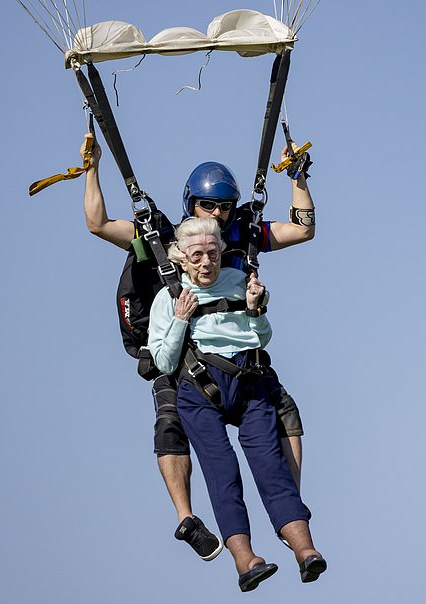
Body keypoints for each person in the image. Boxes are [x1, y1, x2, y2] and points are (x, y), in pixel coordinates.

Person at [81, 134, 315, 560]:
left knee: (285, 411)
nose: (218, 214)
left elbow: (302, 229)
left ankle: (287, 510)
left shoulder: (242, 236)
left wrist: (298, 177)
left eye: (225, 206)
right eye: (209, 206)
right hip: (179, 353)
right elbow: (98, 224)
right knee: (170, 422)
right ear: (192, 204)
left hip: (237, 354)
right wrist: (92, 169)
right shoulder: (163, 238)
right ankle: (186, 518)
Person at [147, 217, 326, 592]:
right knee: (222, 472)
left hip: (249, 385)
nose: (206, 263)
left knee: (270, 466)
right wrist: (180, 319)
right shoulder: (167, 297)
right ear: (182, 258)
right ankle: (245, 561)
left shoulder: (239, 282)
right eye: (197, 256)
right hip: (200, 391)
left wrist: (255, 310)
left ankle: (305, 550)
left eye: (212, 254)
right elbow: (163, 363)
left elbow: (262, 337)